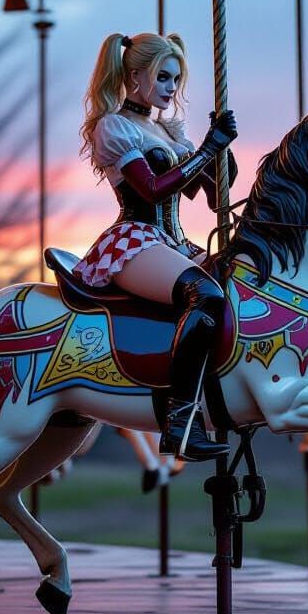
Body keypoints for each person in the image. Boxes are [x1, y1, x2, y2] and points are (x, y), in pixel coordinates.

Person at [74, 32, 237, 462]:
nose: (171, 88)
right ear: (134, 75)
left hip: (173, 240)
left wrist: (222, 153)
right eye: (163, 77)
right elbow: (150, 190)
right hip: (135, 240)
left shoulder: (165, 129)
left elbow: (214, 197)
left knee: (235, 282)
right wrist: (206, 150)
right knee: (204, 294)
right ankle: (181, 421)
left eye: (176, 79)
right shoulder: (116, 127)